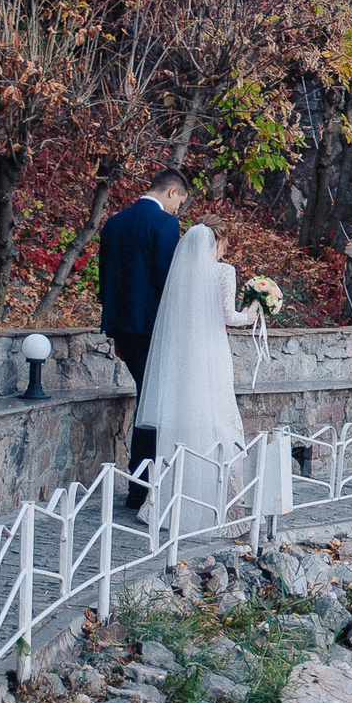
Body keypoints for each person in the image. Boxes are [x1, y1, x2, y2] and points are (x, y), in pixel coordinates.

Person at [133, 224, 257, 534]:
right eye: (223, 243)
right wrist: (254, 313)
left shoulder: (180, 274)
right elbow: (230, 317)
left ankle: (171, 502)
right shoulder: (222, 272)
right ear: (217, 242)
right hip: (211, 354)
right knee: (218, 421)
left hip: (180, 357)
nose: (224, 250)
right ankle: (219, 505)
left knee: (183, 422)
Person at [98, 169, 189, 508]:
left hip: (123, 329)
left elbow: (105, 280)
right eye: (178, 203)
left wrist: (116, 333)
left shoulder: (114, 223)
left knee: (147, 400)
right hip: (155, 330)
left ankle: (141, 487)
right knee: (154, 406)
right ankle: (144, 488)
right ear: (172, 191)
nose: (177, 210)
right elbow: (167, 281)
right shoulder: (164, 225)